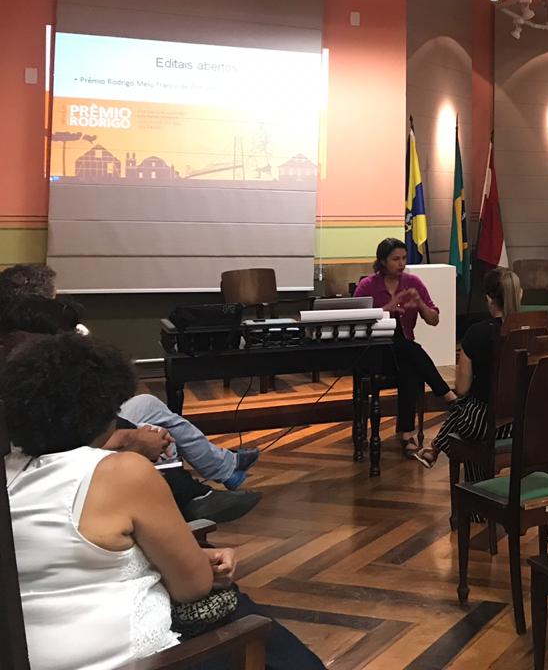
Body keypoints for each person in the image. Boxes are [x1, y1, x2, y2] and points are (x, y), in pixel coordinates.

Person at [2, 333, 323, 670]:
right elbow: (192, 587)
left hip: (30, 656)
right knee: (265, 635)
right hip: (139, 661)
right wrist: (198, 562)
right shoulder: (122, 473)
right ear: (104, 412)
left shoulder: (10, 471)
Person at [0, 295, 261, 524]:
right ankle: (186, 503)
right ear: (15, 339)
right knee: (149, 431)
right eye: (59, 336)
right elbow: (40, 451)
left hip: (66, 444)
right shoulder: (21, 383)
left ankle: (217, 473)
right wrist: (130, 439)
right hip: (46, 476)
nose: (64, 344)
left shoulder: (32, 371)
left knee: (148, 408)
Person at [354, 237, 455, 457]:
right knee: (407, 347)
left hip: (403, 354)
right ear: (382, 261)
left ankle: (407, 434)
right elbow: (354, 322)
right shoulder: (368, 286)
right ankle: (445, 393)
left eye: (404, 258)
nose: (401, 263)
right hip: (375, 353)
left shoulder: (413, 283)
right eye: (395, 259)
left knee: (409, 366)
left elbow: (434, 319)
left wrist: (419, 303)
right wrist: (387, 309)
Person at [413, 267, 521, 473]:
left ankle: (476, 488)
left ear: (489, 299)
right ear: (519, 294)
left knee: (462, 406)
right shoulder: (532, 330)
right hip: (520, 419)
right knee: (465, 408)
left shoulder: (477, 332)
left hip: (483, 422)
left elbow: (462, 387)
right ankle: (436, 450)